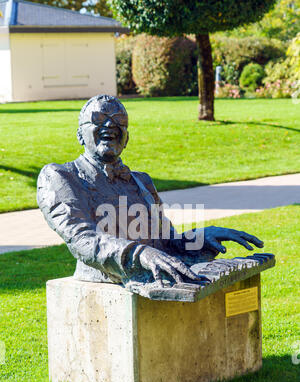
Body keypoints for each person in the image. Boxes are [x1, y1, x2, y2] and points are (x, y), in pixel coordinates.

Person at [37, 95, 263, 288]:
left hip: (156, 275)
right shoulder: (59, 176)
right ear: (80, 134)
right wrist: (139, 255)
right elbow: (82, 239)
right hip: (106, 278)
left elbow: (166, 240)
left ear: (127, 138)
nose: (110, 126)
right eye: (98, 119)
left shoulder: (141, 181)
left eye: (119, 121)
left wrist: (200, 237)